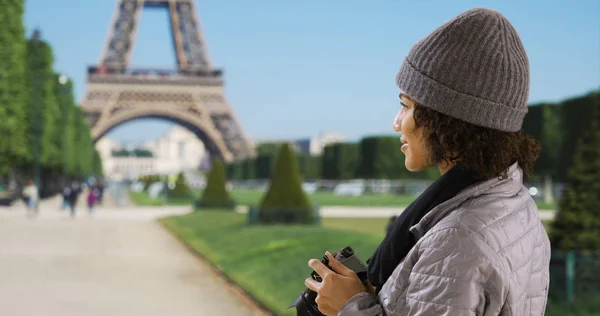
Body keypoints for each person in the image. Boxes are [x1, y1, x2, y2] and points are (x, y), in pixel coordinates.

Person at [305, 8, 551, 315]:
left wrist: (351, 307)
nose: (397, 123)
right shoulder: (516, 204)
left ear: (445, 119)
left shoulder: (458, 239)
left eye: (406, 106)